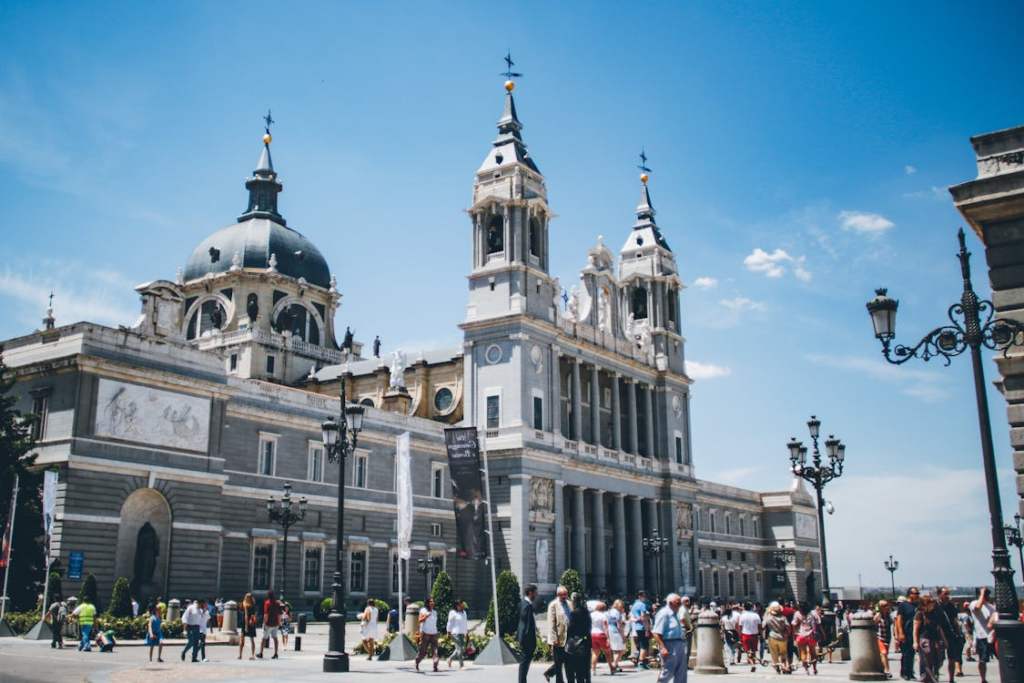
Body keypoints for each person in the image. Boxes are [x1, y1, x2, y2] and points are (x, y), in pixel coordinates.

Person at [651, 593, 687, 683]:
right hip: (669, 644)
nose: (680, 605)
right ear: (670, 603)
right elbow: (656, 632)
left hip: (679, 643)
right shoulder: (663, 614)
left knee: (681, 671)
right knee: (668, 671)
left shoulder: (676, 613)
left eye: (680, 603)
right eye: (677, 603)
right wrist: (662, 647)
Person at [913, 594, 949, 683]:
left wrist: (944, 640)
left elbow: (939, 628)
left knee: (939, 659)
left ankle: (927, 678)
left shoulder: (934, 613)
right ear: (926, 604)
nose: (934, 604)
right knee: (928, 661)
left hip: (935, 639)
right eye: (931, 602)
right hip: (925, 640)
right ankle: (932, 680)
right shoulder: (919, 614)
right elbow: (915, 629)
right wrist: (915, 642)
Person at [545, 585, 572, 683]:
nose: (565, 596)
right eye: (563, 595)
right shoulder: (553, 605)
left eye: (566, 594)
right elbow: (551, 623)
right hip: (559, 639)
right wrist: (554, 639)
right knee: (558, 663)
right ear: (558, 595)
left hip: (569, 638)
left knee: (569, 662)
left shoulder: (570, 604)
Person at [565, 592, 593, 683]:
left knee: (571, 672)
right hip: (585, 643)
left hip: (575, 645)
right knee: (583, 672)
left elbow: (571, 628)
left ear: (573, 601)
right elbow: (589, 626)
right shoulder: (586, 611)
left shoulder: (574, 613)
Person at [970, 588, 996, 683]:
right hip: (981, 636)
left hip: (992, 635)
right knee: (982, 659)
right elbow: (977, 607)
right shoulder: (974, 603)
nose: (987, 597)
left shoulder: (991, 606)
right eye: (986, 595)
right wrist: (981, 593)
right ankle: (983, 679)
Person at [894, 588, 920, 681]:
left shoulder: (918, 605)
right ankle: (904, 672)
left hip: (915, 633)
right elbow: (899, 619)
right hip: (906, 632)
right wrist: (901, 633)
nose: (917, 595)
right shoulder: (903, 605)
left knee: (912, 654)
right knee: (906, 653)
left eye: (918, 593)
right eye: (915, 593)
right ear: (910, 594)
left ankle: (910, 672)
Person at [517, 584, 539, 683]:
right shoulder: (527, 606)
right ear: (530, 593)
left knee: (525, 662)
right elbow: (527, 625)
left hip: (524, 638)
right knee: (524, 662)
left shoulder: (523, 603)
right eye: (535, 593)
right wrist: (530, 640)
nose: (536, 595)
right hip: (527, 639)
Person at [792, 601, 821, 675]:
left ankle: (806, 669)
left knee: (803, 652)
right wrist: (823, 634)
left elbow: (794, 625)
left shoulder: (797, 614)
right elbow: (818, 623)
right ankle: (814, 668)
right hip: (811, 635)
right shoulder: (813, 613)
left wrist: (794, 635)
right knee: (813, 652)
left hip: (801, 635)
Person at [589, 601, 616, 675]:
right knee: (607, 652)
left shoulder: (591, 615)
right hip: (601, 634)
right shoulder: (603, 615)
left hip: (592, 633)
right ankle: (611, 667)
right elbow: (605, 627)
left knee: (595, 652)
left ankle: (593, 669)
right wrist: (608, 638)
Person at [763, 602, 791, 674]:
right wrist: (788, 634)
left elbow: (763, 626)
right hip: (782, 637)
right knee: (783, 653)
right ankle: (784, 666)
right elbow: (788, 627)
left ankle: (777, 667)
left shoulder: (768, 617)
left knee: (774, 653)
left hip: (772, 637)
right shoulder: (783, 617)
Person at [415, 597, 440, 672]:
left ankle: (435, 667)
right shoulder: (423, 610)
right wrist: (426, 616)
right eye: (431, 601)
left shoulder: (435, 612)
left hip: (434, 633)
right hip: (426, 632)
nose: (433, 602)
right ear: (428, 603)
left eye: (433, 601)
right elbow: (420, 620)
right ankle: (416, 664)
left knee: (435, 650)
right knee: (423, 651)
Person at [630, 590, 652, 670]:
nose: (645, 598)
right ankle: (642, 662)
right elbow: (643, 618)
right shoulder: (643, 605)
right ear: (639, 597)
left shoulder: (634, 605)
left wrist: (636, 620)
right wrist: (647, 630)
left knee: (641, 644)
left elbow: (631, 617)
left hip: (636, 627)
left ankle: (640, 660)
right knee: (644, 645)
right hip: (642, 627)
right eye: (643, 596)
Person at [738, 602, 762, 672]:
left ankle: (752, 664)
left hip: (745, 634)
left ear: (744, 608)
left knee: (748, 651)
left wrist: (740, 637)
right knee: (753, 650)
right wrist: (762, 636)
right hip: (755, 634)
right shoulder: (756, 615)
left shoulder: (742, 616)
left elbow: (740, 627)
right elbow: (759, 626)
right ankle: (753, 662)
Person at [257, 589, 281, 659]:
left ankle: (261, 653)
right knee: (275, 638)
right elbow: (280, 614)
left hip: (268, 624)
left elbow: (266, 615)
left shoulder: (267, 603)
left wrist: (264, 623)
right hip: (275, 623)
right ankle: (276, 653)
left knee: (264, 638)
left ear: (268, 595)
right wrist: (279, 622)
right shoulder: (277, 603)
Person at [181, 598, 206, 662]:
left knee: (196, 643)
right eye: (201, 604)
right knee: (191, 641)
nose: (202, 606)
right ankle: (184, 652)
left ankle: (194, 657)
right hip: (190, 626)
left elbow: (201, 619)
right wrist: (185, 624)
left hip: (197, 627)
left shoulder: (200, 610)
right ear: (199, 603)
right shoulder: (191, 607)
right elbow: (185, 616)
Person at [874, 600, 894, 678]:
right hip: (879, 637)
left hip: (887, 637)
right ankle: (888, 671)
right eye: (884, 606)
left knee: (884, 655)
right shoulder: (878, 616)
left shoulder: (888, 616)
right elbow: (874, 626)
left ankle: (881, 669)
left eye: (887, 605)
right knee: (884, 653)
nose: (886, 607)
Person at [447, 599, 468, 669]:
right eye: (460, 605)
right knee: (460, 649)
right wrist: (448, 632)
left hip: (461, 632)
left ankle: (450, 659)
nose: (461, 606)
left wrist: (466, 633)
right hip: (455, 632)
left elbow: (465, 624)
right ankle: (461, 665)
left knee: (458, 648)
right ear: (456, 606)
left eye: (462, 604)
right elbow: (449, 623)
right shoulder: (453, 613)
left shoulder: (464, 613)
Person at [608, 598, 628, 672]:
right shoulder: (617, 613)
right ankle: (614, 664)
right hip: (616, 632)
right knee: (621, 650)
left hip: (610, 631)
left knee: (615, 650)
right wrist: (623, 636)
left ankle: (616, 665)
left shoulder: (610, 611)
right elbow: (619, 625)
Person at [238, 593, 257, 660]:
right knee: (252, 639)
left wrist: (246, 626)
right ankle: (253, 655)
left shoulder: (245, 604)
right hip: (252, 623)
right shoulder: (253, 604)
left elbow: (246, 615)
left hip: (246, 622)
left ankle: (240, 655)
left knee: (242, 638)